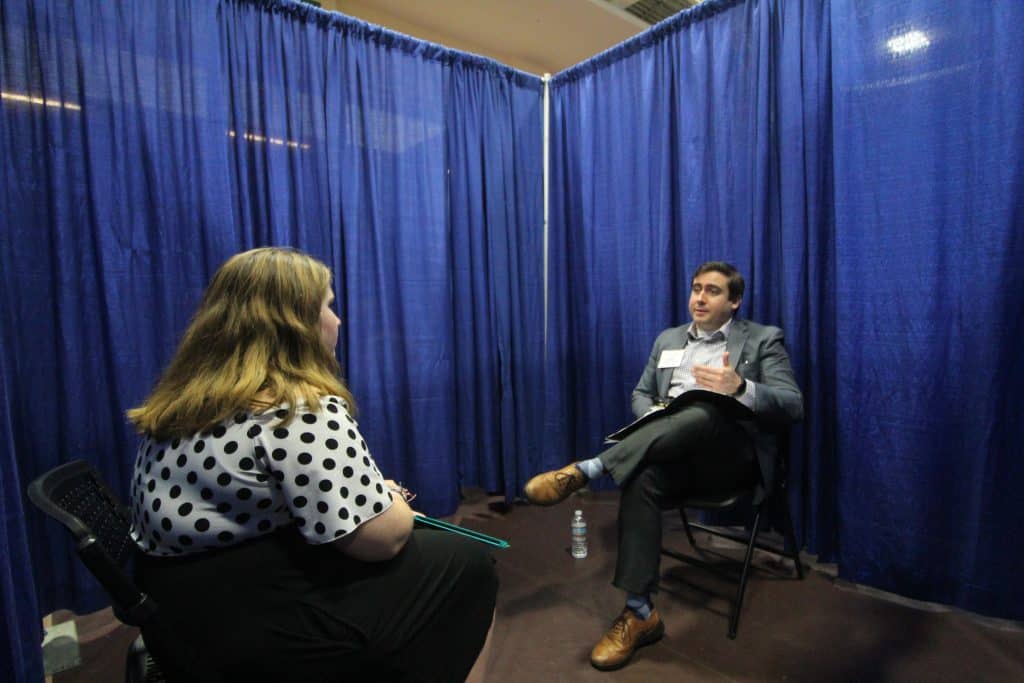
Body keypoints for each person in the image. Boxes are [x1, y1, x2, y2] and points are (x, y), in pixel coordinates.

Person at [126, 247, 497, 682]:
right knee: (469, 562)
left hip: (182, 613)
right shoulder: (295, 411)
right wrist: (391, 500)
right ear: (295, 323)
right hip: (258, 625)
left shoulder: (181, 403)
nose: (337, 320)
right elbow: (379, 540)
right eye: (327, 305)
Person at [524, 261, 803, 671]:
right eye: (696, 289)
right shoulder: (669, 339)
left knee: (706, 407)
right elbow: (640, 393)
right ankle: (639, 614)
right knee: (642, 476)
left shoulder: (762, 339)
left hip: (728, 460)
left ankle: (590, 469)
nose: (700, 298)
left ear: (735, 300)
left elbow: (793, 405)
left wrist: (741, 388)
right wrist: (659, 416)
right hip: (670, 454)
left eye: (712, 291)